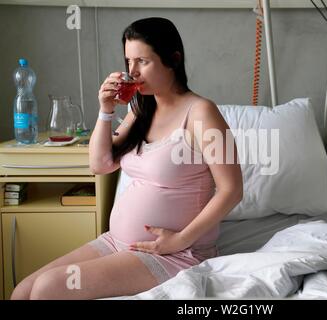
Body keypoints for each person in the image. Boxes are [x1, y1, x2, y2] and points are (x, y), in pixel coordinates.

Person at [11, 17, 243, 300]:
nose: (132, 72)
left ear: (173, 59)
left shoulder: (201, 113)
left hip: (175, 252)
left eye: (142, 61)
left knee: (48, 289)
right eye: (128, 62)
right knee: (23, 291)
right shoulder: (141, 108)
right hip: (116, 242)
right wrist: (105, 110)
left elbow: (232, 190)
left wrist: (180, 240)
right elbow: (100, 164)